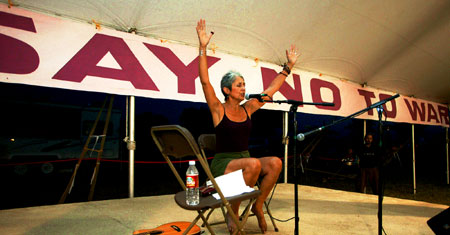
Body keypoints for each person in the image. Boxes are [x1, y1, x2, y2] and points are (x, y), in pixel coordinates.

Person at [196, 19, 299, 234]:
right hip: (223, 164)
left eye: (244, 85)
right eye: (238, 85)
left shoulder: (248, 108)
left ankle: (258, 204)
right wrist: (203, 48)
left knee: (275, 163)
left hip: (245, 161)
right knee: (253, 164)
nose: (243, 89)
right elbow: (205, 82)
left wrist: (288, 67)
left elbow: (271, 90)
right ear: (226, 90)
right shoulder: (218, 108)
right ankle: (232, 212)